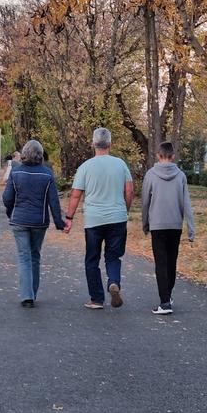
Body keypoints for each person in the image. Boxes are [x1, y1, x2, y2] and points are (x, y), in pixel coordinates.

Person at [64, 128, 134, 310]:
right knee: (113, 256)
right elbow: (129, 191)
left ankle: (96, 299)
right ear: (110, 144)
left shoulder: (85, 167)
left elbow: (75, 195)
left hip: (94, 221)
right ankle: (114, 282)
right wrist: (124, 210)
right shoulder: (121, 164)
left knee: (92, 259)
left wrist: (69, 217)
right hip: (117, 218)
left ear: (93, 144)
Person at [3, 140, 67, 307]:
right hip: (39, 221)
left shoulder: (16, 172)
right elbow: (53, 201)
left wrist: (11, 212)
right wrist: (60, 223)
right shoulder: (47, 174)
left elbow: (7, 197)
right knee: (35, 256)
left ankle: (27, 296)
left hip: (19, 220)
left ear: (24, 153)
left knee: (24, 257)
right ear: (40, 155)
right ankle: (33, 292)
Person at [141, 141, 195, 315]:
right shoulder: (181, 176)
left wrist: (145, 223)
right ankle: (167, 295)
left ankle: (164, 303)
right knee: (171, 261)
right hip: (175, 224)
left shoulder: (150, 175)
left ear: (158, 155)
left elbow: (145, 202)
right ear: (173, 156)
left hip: (157, 224)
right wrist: (191, 228)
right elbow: (187, 203)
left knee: (161, 262)